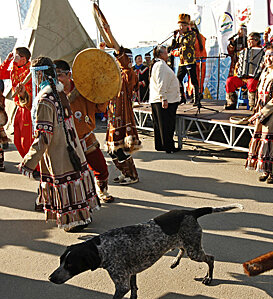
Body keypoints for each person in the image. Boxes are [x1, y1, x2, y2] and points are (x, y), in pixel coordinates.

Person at [18, 56, 99, 232]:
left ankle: (75, 220)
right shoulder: (59, 93)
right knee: (75, 180)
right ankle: (83, 215)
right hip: (72, 148)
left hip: (59, 152)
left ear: (38, 76)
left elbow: (43, 137)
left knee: (67, 182)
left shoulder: (45, 100)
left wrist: (28, 162)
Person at [53, 59, 114, 203]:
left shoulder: (83, 89)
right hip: (64, 140)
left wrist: (104, 91)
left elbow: (100, 107)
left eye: (60, 75)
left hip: (85, 137)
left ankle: (102, 191)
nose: (57, 79)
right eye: (54, 76)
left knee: (101, 168)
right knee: (67, 173)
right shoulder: (52, 92)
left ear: (69, 75)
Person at [245, 45, 273, 184]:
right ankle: (266, 170)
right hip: (263, 114)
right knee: (263, 141)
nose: (268, 58)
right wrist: (256, 112)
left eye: (271, 56)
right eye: (266, 55)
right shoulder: (264, 73)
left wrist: (262, 113)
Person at [106, 48, 142, 185]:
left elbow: (126, 69)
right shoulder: (115, 76)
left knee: (120, 149)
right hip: (113, 118)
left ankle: (132, 175)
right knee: (111, 150)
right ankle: (124, 172)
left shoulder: (129, 75)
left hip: (123, 117)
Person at [0, 47, 34, 165]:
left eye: (17, 56)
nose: (15, 58)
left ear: (23, 58)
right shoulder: (15, 69)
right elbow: (1, 73)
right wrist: (8, 61)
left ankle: (35, 166)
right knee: (17, 140)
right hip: (19, 108)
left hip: (28, 108)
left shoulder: (30, 71)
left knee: (27, 141)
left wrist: (13, 63)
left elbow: (21, 80)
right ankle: (28, 162)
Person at [149, 45, 182, 153]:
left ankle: (161, 145)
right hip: (165, 99)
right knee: (166, 124)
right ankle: (168, 146)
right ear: (161, 54)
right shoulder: (161, 66)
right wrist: (163, 98)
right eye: (165, 53)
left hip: (159, 99)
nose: (167, 55)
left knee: (160, 124)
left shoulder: (158, 65)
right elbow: (161, 83)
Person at [225, 32, 263, 110]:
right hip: (243, 77)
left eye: (251, 40)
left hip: (255, 77)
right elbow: (238, 62)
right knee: (230, 81)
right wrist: (238, 66)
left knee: (251, 83)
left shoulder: (262, 51)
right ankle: (231, 103)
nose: (248, 42)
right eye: (248, 40)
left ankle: (253, 105)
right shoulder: (244, 51)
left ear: (256, 41)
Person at [169, 13, 200, 106]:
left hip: (190, 60)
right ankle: (182, 97)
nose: (181, 27)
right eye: (180, 26)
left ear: (187, 26)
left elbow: (188, 43)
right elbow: (174, 45)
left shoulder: (192, 34)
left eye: (182, 25)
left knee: (193, 79)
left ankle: (196, 99)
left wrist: (181, 36)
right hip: (182, 61)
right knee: (178, 79)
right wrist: (175, 37)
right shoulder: (180, 35)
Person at [187, 21, 207, 103]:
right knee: (199, 80)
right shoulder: (201, 36)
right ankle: (198, 95)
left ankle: (195, 97)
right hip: (202, 61)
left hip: (195, 61)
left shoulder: (192, 37)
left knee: (193, 80)